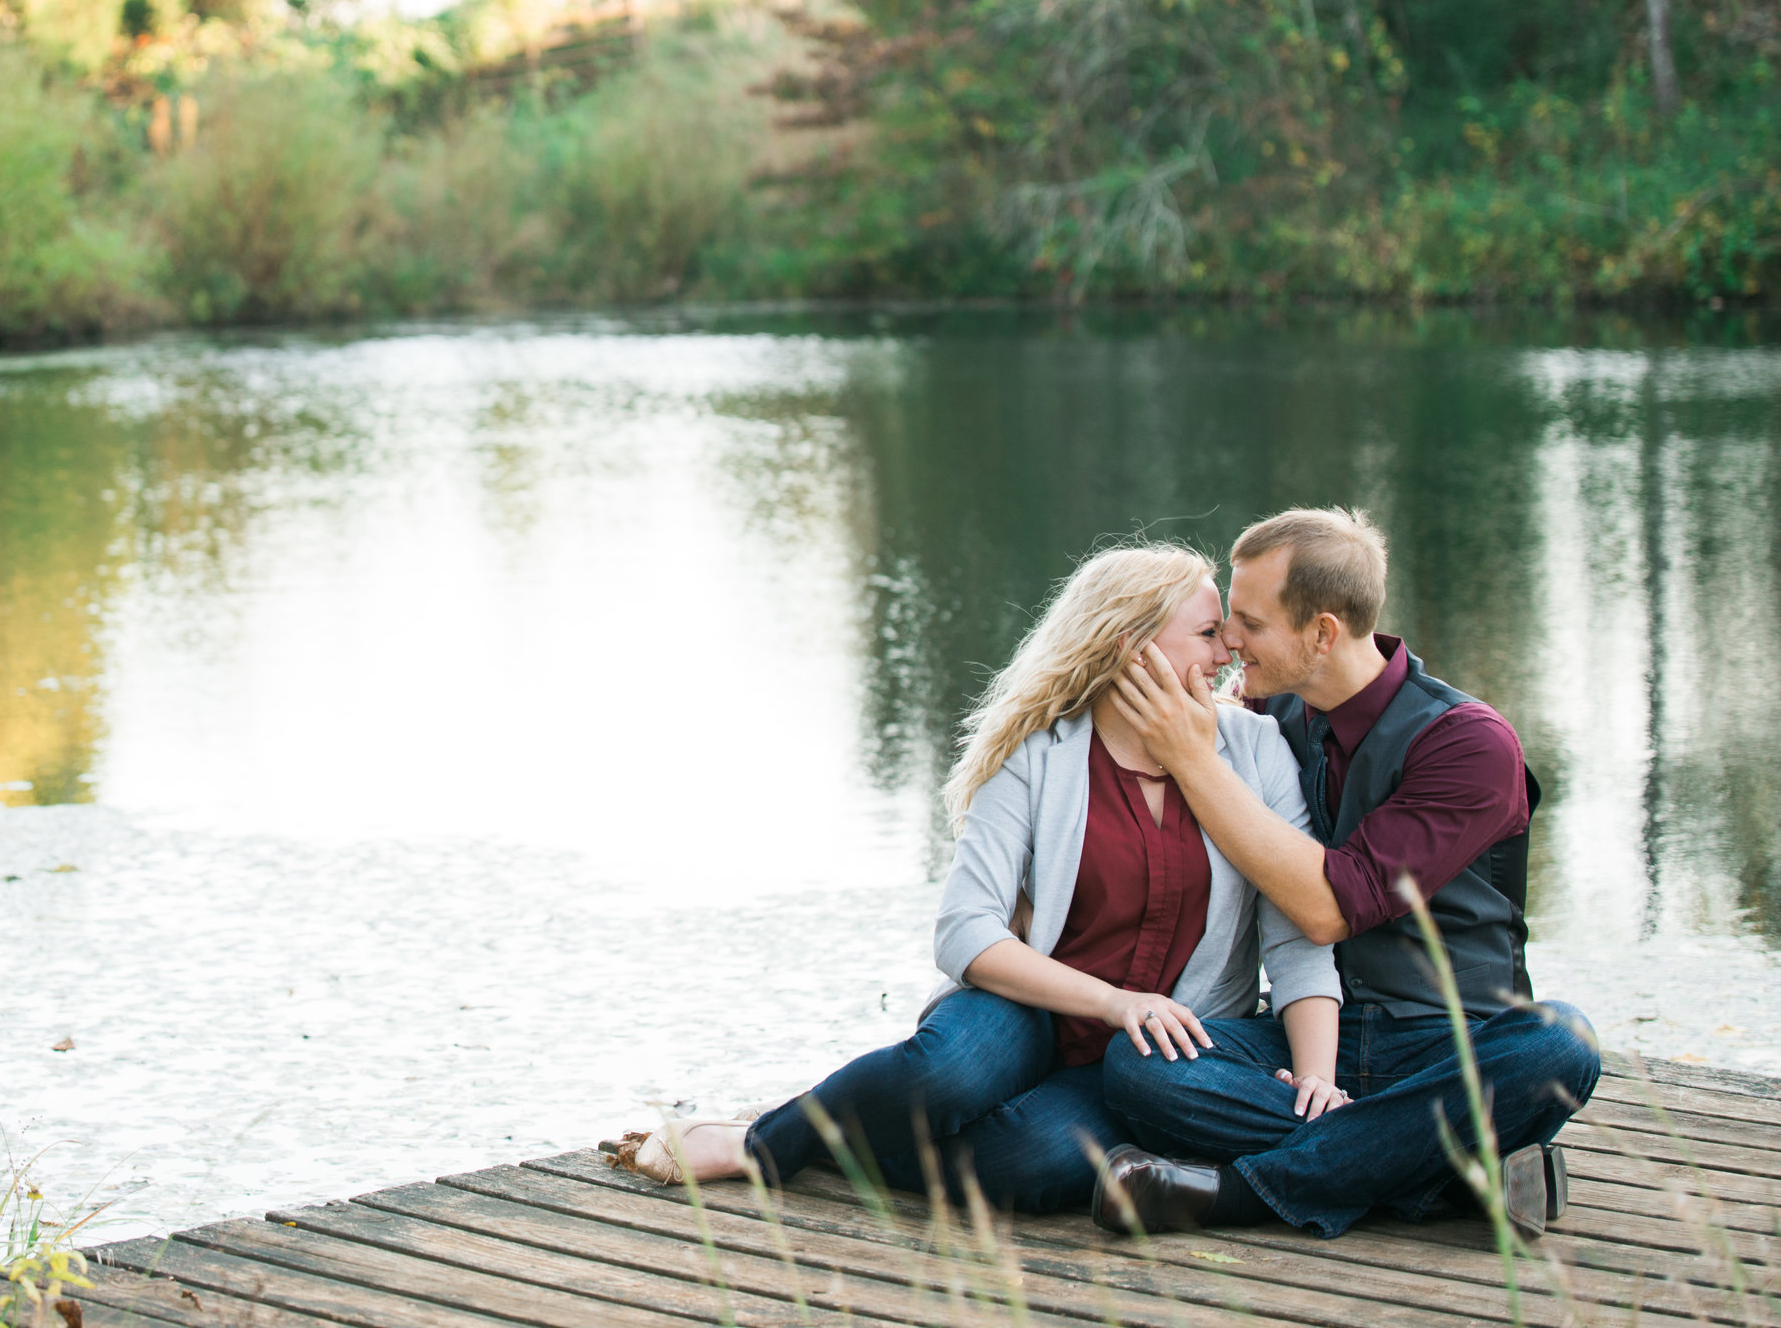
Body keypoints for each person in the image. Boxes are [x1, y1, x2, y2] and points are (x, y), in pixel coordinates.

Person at [611, 544, 1342, 1212]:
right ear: (1134, 647)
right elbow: (966, 931)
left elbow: (1296, 936)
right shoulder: (1040, 753)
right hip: (1026, 1010)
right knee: (948, 1075)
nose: (1229, 652)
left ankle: (840, 1121)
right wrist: (1114, 1001)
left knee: (1033, 1164)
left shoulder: (1257, 751)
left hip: (1148, 1061)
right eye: (1209, 633)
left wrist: (1316, 1076)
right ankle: (762, 1144)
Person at [1097, 507, 1600, 1240]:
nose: (1230, 642)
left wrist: (1194, 760)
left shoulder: (1468, 744)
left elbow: (1332, 908)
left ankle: (1238, 1193)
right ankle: (1440, 1171)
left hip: (1450, 1045)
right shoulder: (1274, 719)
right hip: (1309, 1041)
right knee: (1141, 1064)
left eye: (1251, 623)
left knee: (1561, 1045)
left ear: (1323, 632)